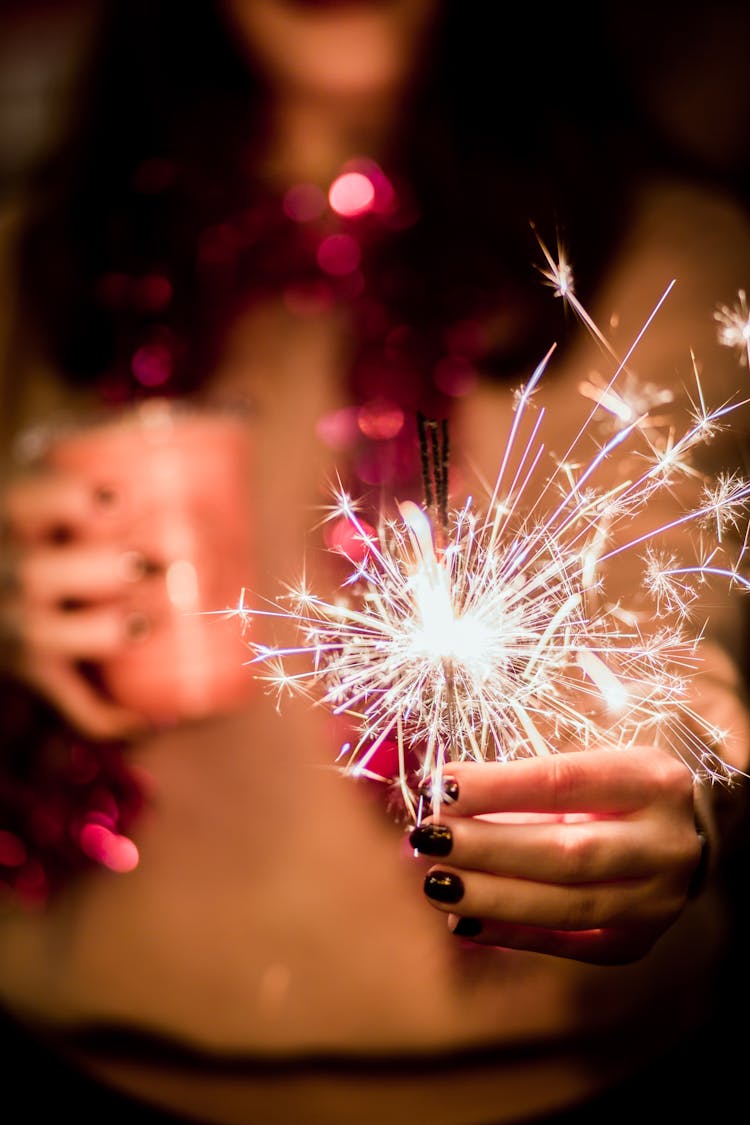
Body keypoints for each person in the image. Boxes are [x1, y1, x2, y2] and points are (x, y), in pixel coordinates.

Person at [1, 2, 750, 1122]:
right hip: (75, 1049)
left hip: (551, 1075)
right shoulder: (34, 257)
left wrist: (685, 783)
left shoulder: (672, 252)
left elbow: (683, 627)